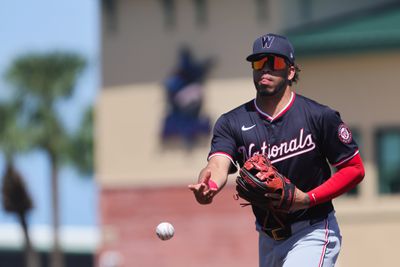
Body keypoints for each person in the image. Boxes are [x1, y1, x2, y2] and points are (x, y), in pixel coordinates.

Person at [188, 33, 365, 267]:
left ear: (291, 71)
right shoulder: (232, 122)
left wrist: (308, 199)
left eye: (276, 62)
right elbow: (218, 164)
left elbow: (354, 169)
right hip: (268, 239)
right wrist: (208, 184)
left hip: (313, 231)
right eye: (259, 62)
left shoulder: (318, 116)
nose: (266, 69)